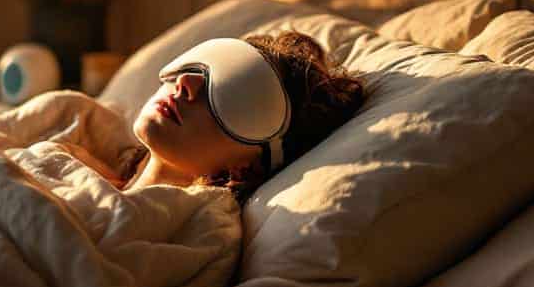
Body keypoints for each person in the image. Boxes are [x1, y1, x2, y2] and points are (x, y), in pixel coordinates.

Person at [124, 31, 366, 195]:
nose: (185, 81)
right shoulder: (90, 152)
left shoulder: (199, 233)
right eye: (197, 66)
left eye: (227, 95)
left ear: (248, 167)